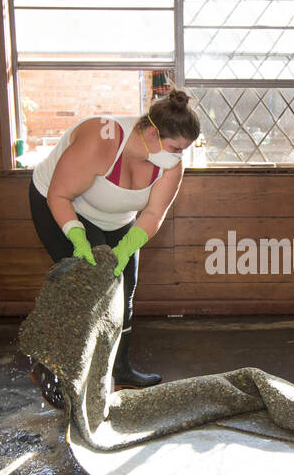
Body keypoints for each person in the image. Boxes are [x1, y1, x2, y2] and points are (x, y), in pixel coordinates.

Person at [27, 88, 200, 392]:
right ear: (151, 133)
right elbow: (59, 194)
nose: (178, 157)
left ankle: (120, 371)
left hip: (116, 216)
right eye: (175, 148)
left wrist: (126, 248)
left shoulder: (171, 163)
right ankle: (50, 369)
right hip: (62, 203)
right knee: (89, 286)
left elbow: (153, 214)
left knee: (125, 288)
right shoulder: (102, 140)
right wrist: (78, 239)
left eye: (183, 150)